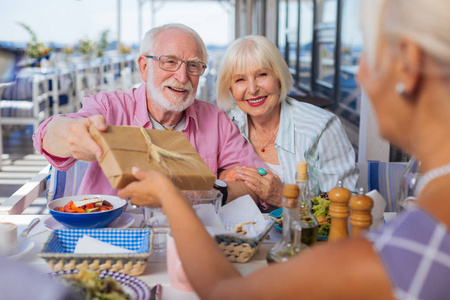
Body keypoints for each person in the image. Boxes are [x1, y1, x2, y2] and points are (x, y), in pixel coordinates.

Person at [118, 0, 450, 298]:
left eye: (367, 55)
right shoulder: (224, 123)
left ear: (409, 64)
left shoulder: (397, 253)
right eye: (239, 80)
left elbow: (225, 291)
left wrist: (169, 193)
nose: (359, 74)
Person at [32, 23, 265, 201]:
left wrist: (206, 191)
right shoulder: (109, 108)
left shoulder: (214, 120)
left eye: (193, 66)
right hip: (108, 238)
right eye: (169, 62)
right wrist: (71, 133)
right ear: (144, 67)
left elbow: (254, 185)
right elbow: (46, 135)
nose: (182, 77)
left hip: (186, 241)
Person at [216, 35, 358, 211]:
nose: (252, 89)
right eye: (240, 80)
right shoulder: (225, 125)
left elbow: (347, 204)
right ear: (230, 88)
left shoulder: (322, 127)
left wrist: (284, 198)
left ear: (279, 77)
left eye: (261, 75)